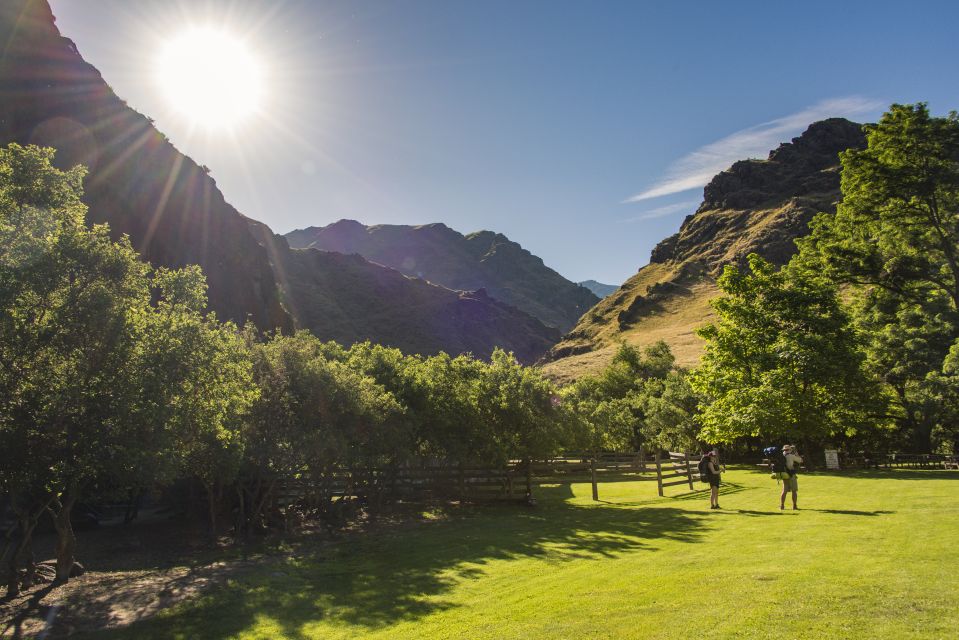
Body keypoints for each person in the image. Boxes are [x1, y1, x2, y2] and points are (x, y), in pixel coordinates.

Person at [780, 444, 803, 510]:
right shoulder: (791, 456)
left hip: (784, 474)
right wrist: (796, 454)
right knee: (794, 491)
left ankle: (782, 506)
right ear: (789, 450)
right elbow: (801, 460)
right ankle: (794, 506)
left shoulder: (782, 455)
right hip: (791, 474)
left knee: (784, 491)